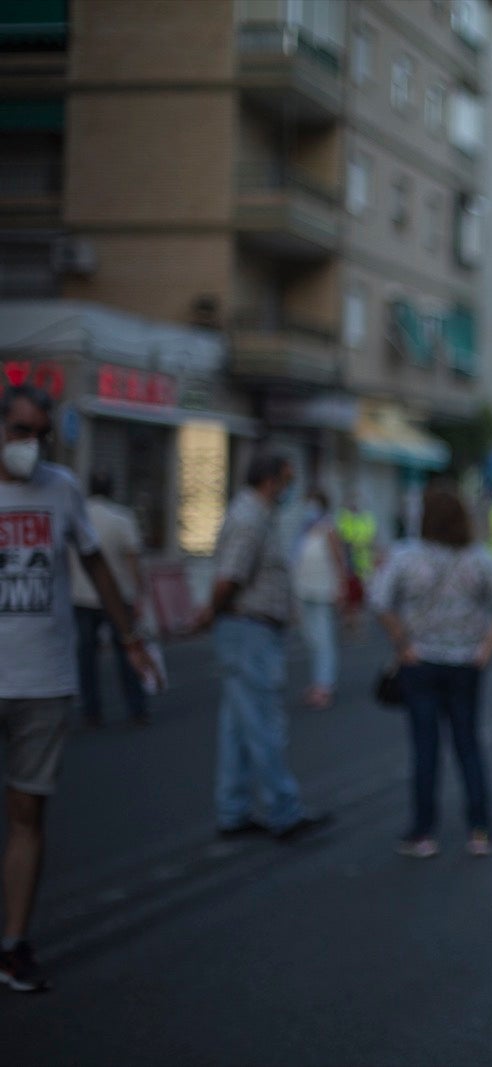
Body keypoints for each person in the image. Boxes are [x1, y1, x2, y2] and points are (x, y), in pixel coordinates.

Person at [0, 384, 156, 992]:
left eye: (41, 434)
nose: (30, 447)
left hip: (43, 681)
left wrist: (130, 635)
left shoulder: (61, 489)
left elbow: (94, 562)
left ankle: (13, 944)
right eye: (20, 432)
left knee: (27, 814)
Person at [369, 483, 492, 858]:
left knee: (425, 748)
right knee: (467, 743)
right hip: (466, 662)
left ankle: (423, 832)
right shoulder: (478, 558)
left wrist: (402, 643)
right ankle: (479, 828)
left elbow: (379, 600)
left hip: (421, 661)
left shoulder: (407, 558)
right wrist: (486, 649)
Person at [193, 452, 330, 843]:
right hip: (249, 630)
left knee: (238, 724)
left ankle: (233, 809)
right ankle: (283, 809)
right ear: (270, 480)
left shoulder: (257, 516)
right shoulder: (250, 518)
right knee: (263, 721)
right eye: (287, 481)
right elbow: (231, 575)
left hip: (248, 629)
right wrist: (210, 612)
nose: (290, 490)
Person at [68, 471, 150, 727]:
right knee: (128, 653)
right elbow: (134, 560)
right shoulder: (122, 518)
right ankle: (137, 708)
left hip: (81, 597)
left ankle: (91, 711)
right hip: (119, 598)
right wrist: (139, 594)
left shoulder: (78, 516)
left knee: (87, 658)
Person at [291, 489, 348, 710]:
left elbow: (338, 559)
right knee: (311, 638)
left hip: (324, 591)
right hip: (305, 590)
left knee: (323, 639)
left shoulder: (329, 528)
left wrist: (341, 587)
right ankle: (318, 682)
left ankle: (324, 685)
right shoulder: (305, 530)